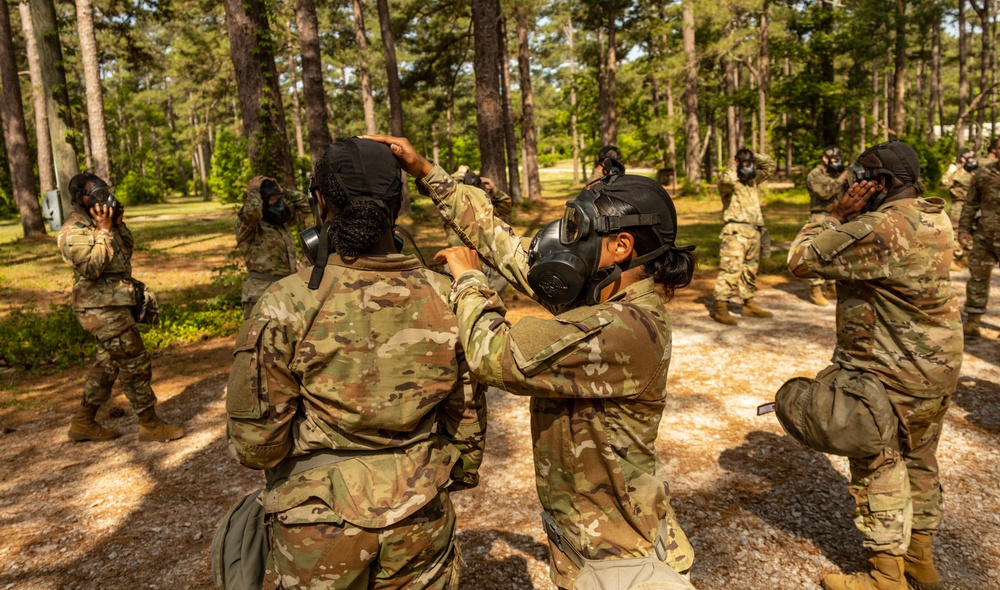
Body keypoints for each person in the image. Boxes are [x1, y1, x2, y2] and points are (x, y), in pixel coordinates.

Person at [367, 134, 697, 590]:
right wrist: (427, 173)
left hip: (623, 560)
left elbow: (493, 354)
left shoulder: (623, 328)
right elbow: (502, 243)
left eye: (579, 231)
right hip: (590, 544)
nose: (567, 242)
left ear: (622, 247)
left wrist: (468, 280)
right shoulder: (605, 290)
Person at [225, 138, 486, 589]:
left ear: (321, 201)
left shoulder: (286, 302)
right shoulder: (449, 295)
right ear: (398, 204)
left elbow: (256, 446)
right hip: (421, 512)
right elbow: (466, 418)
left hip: (316, 523)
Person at [787, 141, 962, 590]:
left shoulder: (879, 228)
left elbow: (801, 260)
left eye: (857, 176)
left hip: (890, 370)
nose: (849, 183)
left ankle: (886, 576)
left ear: (878, 184)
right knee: (920, 456)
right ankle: (920, 562)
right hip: (935, 365)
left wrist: (832, 213)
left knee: (878, 461)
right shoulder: (932, 214)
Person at [57, 173, 184, 442]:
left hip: (114, 303)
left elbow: (125, 254)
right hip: (99, 308)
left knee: (107, 364)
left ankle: (83, 422)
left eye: (105, 192)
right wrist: (103, 231)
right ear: (81, 198)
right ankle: (149, 424)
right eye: (97, 194)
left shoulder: (100, 223)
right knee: (134, 360)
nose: (104, 198)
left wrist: (117, 225)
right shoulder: (73, 230)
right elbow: (92, 267)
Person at [713, 148, 776, 325]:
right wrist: (734, 164)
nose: (747, 166)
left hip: (754, 230)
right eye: (744, 162)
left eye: (749, 163)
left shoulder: (753, 180)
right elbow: (727, 180)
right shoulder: (728, 183)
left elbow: (770, 166)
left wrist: (753, 156)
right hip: (735, 232)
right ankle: (721, 307)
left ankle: (748, 303)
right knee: (731, 269)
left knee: (751, 269)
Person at [234, 175, 311, 319]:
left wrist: (284, 191)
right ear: (261, 201)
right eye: (272, 199)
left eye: (279, 199)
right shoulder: (250, 225)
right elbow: (252, 213)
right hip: (261, 292)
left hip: (286, 289)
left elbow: (306, 206)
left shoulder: (281, 223)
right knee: (260, 338)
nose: (278, 204)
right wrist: (254, 190)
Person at [958, 137, 1000, 338]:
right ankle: (973, 321)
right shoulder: (983, 174)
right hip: (985, 236)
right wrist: (964, 229)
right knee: (977, 278)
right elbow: (971, 203)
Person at [803, 146, 850, 306]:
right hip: (820, 216)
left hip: (839, 217)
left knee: (836, 253)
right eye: (835, 159)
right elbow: (825, 192)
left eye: (839, 159)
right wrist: (843, 177)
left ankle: (831, 286)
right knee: (817, 253)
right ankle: (815, 290)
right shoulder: (815, 175)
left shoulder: (835, 175)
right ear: (825, 159)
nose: (838, 163)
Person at [940, 149, 979, 269]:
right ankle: (951, 259)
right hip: (959, 205)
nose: (972, 160)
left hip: (972, 206)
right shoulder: (956, 171)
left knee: (971, 231)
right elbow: (943, 184)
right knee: (955, 232)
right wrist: (950, 171)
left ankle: (963, 256)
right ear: (962, 159)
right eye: (969, 158)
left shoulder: (974, 172)